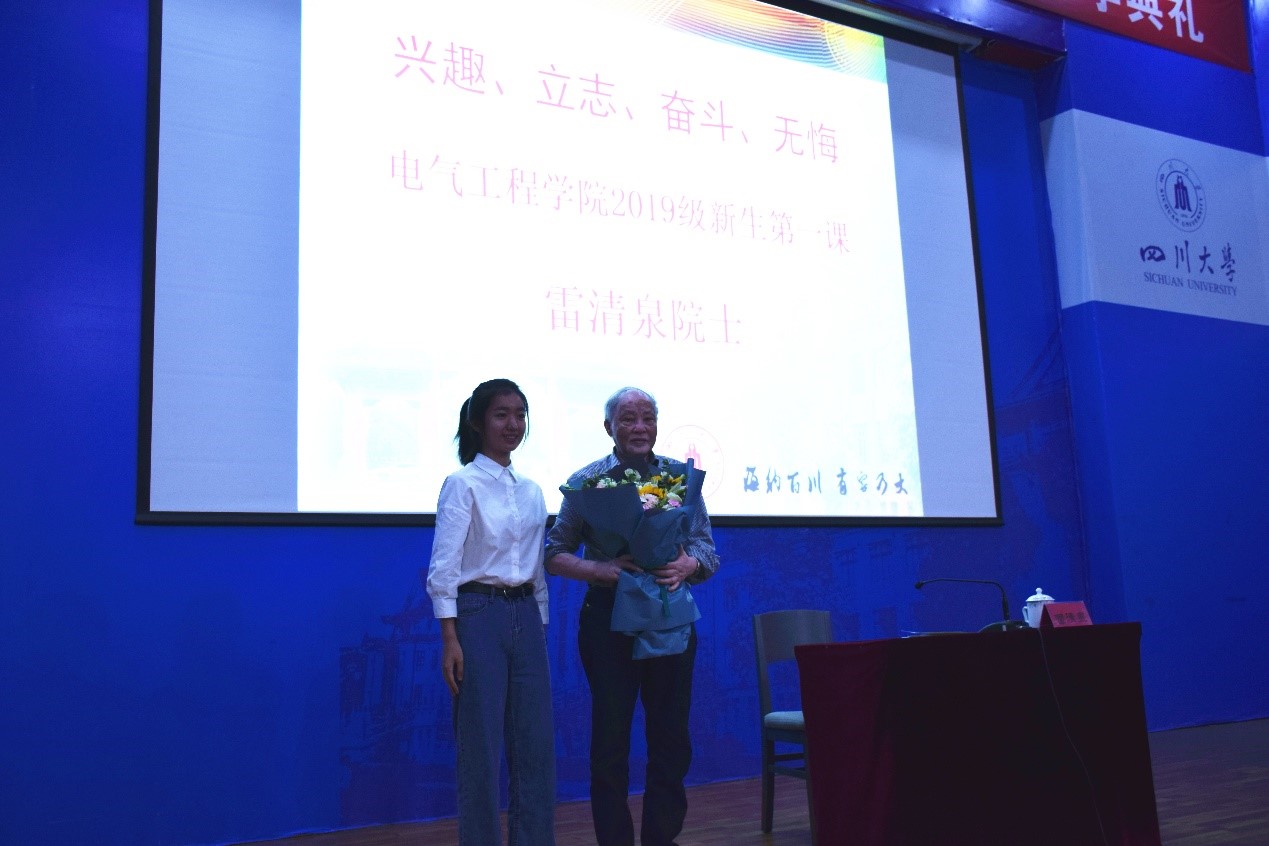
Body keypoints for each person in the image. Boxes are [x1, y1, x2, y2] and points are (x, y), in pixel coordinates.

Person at [545, 387, 720, 846]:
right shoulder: (586, 483)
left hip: (669, 616)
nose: (640, 427)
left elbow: (707, 551)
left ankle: (662, 837)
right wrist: (600, 570)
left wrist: (689, 564)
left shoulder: (678, 478)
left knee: (671, 739)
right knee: (610, 743)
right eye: (628, 419)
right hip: (608, 621)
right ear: (609, 427)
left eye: (648, 418)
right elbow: (554, 553)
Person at [425, 378, 556, 846]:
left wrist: (539, 623)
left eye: (520, 414)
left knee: (535, 745)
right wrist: (450, 637)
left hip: (526, 613)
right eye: (501, 414)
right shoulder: (462, 484)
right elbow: (444, 566)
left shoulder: (533, 491)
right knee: (480, 746)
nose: (513, 424)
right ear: (478, 422)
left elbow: (536, 569)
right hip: (478, 614)